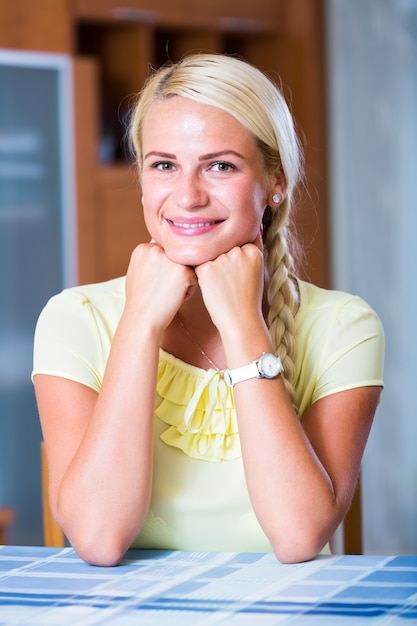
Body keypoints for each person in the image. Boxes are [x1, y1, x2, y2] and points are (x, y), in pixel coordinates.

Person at [32, 53, 384, 567]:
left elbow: (299, 536)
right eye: (164, 165)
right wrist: (140, 323)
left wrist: (244, 327)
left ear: (276, 182)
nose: (188, 196)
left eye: (220, 166)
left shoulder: (344, 327)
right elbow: (99, 539)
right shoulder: (75, 319)